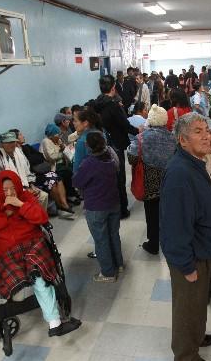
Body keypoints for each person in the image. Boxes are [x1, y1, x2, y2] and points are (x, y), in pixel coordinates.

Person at [160, 112, 211, 361]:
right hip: (191, 256)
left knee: (199, 302)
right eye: (198, 131)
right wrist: (186, 265)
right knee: (187, 309)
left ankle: (197, 336)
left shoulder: (196, 162)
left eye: (207, 129)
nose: (207, 136)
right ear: (183, 140)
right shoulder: (180, 174)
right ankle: (186, 356)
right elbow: (173, 227)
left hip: (204, 249)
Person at [0, 170, 82, 336]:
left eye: (12, 188)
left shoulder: (26, 197)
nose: (9, 193)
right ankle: (51, 317)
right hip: (6, 251)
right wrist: (4, 216)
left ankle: (54, 324)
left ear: (18, 187)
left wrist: (20, 205)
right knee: (21, 278)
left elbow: (42, 218)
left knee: (38, 276)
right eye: (5, 190)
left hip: (32, 244)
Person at [72, 132, 123, 282]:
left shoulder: (88, 164)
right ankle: (118, 264)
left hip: (96, 207)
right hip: (113, 203)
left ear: (88, 146)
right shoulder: (111, 159)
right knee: (113, 234)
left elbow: (77, 182)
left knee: (101, 239)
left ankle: (108, 273)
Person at [128, 104, 176, 255]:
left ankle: (153, 243)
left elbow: (132, 157)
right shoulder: (173, 137)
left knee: (152, 214)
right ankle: (171, 242)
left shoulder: (142, 137)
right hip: (169, 181)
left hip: (149, 183)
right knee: (169, 212)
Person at [94, 75, 139, 219]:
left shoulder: (95, 104)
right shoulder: (113, 105)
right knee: (119, 178)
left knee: (106, 177)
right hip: (116, 145)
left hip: (101, 145)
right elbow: (124, 125)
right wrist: (138, 130)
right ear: (113, 87)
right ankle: (122, 210)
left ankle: (109, 207)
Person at [10, 128, 74, 216]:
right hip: (33, 175)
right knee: (51, 181)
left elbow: (40, 157)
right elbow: (30, 162)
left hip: (40, 171)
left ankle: (64, 204)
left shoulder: (27, 147)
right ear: (16, 139)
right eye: (20, 135)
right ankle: (59, 205)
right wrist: (33, 159)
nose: (23, 136)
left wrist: (33, 159)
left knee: (57, 178)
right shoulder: (16, 153)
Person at [0, 132, 49, 211]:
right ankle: (32, 220)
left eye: (13, 142)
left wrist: (31, 186)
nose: (11, 144)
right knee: (30, 201)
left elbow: (27, 171)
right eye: (8, 142)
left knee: (43, 196)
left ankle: (40, 219)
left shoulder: (19, 152)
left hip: (25, 186)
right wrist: (22, 191)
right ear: (1, 144)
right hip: (8, 193)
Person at [38, 124, 78, 209]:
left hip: (62, 163)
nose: (59, 136)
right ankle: (70, 195)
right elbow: (51, 157)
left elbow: (66, 151)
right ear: (52, 135)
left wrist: (63, 147)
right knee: (67, 172)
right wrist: (61, 151)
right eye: (57, 134)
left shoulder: (57, 140)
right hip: (53, 166)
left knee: (72, 168)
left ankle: (72, 193)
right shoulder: (46, 141)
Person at [72, 108, 102, 175]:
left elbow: (77, 167)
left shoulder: (82, 141)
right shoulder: (101, 133)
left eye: (75, 121)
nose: (73, 123)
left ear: (85, 123)